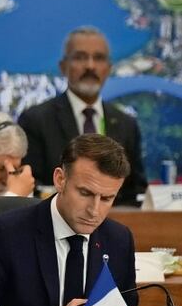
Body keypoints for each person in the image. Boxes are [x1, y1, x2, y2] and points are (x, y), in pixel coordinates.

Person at [0, 134, 137, 306]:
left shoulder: (119, 240)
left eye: (107, 198)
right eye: (85, 193)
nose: (94, 210)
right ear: (60, 179)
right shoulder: (2, 235)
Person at [18, 26, 147, 206]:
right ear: (63, 67)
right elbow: (29, 186)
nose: (90, 66)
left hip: (115, 226)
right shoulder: (35, 120)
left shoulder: (127, 124)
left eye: (99, 58)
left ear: (109, 68)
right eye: (80, 57)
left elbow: (136, 191)